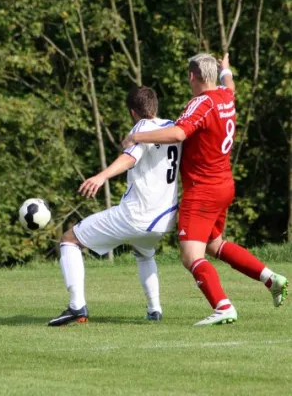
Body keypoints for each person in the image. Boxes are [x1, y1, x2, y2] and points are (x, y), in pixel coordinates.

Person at [122, 53, 288, 326]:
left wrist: (135, 136)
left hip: (202, 190)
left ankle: (223, 307)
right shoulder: (225, 96)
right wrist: (227, 71)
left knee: (190, 256)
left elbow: (178, 133)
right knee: (214, 244)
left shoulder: (201, 103)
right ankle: (271, 278)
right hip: (224, 185)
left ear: (191, 76)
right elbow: (230, 85)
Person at [48, 86, 181, 326]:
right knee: (144, 253)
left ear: (132, 112)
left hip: (136, 215)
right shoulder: (172, 128)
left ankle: (76, 306)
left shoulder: (141, 128)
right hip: (163, 218)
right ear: (155, 105)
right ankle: (154, 310)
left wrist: (101, 177)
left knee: (69, 239)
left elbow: (130, 158)